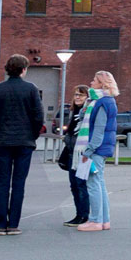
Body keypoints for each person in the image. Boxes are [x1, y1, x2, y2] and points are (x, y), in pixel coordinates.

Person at [0, 54, 44, 236]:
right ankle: (14, 223)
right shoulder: (31, 89)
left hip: (3, 142)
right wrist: (32, 135)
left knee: (2, 183)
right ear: (24, 69)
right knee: (18, 183)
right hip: (24, 142)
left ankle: (2, 224)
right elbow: (38, 117)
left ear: (7, 69)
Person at [74, 72, 118, 231]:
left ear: (102, 84)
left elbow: (99, 130)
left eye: (94, 80)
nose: (91, 82)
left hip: (96, 148)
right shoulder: (100, 101)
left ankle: (95, 220)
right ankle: (104, 220)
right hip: (101, 147)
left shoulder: (102, 103)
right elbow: (83, 117)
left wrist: (88, 150)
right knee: (99, 183)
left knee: (93, 184)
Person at [53, 85, 92, 226]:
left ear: (87, 97)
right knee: (74, 185)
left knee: (81, 185)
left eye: (81, 95)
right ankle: (78, 214)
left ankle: (84, 215)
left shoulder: (86, 113)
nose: (77, 97)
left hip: (81, 153)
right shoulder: (73, 112)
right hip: (71, 152)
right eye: (76, 94)